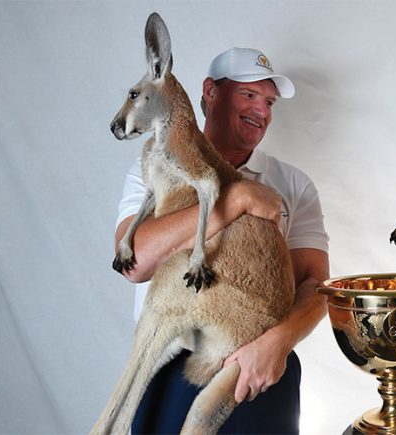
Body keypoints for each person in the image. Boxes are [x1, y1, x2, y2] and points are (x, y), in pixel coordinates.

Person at [114, 47, 330, 434]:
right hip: (171, 364)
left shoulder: (294, 184)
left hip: (258, 369)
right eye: (249, 95)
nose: (261, 111)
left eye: (269, 101)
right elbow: (135, 262)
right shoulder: (154, 167)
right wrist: (233, 201)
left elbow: (316, 285)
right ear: (210, 92)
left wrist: (278, 342)